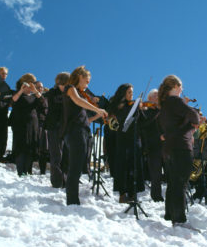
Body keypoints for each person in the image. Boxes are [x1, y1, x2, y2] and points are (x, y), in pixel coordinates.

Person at [158, 75, 200, 227]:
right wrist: (195, 123)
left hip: (169, 148)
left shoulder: (164, 105)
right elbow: (194, 115)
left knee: (173, 182)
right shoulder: (175, 101)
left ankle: (171, 215)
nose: (182, 89)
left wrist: (189, 126)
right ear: (175, 86)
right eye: (181, 86)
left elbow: (173, 128)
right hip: (181, 147)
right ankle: (179, 219)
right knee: (180, 182)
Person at [62, 66, 107, 205]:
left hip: (82, 130)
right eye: (86, 80)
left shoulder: (80, 93)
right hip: (74, 131)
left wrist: (97, 116)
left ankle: (73, 200)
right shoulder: (70, 88)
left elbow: (84, 119)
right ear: (79, 77)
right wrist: (96, 109)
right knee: (75, 167)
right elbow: (78, 101)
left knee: (78, 165)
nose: (88, 83)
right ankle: (72, 201)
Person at [108, 83, 144, 203]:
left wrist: (140, 109)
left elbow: (143, 121)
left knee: (135, 165)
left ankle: (133, 193)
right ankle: (123, 194)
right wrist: (132, 108)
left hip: (135, 137)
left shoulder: (134, 105)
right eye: (129, 92)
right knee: (123, 165)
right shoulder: (117, 105)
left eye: (132, 93)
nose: (131, 95)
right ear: (123, 93)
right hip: (123, 137)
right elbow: (119, 118)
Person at [10, 74, 46, 176]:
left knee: (30, 146)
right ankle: (20, 171)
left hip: (32, 125)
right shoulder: (17, 94)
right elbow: (12, 102)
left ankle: (27, 170)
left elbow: (43, 102)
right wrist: (21, 90)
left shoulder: (34, 97)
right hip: (20, 124)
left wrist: (35, 91)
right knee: (20, 146)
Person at [44, 72, 70, 188]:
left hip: (67, 128)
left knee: (66, 155)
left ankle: (65, 180)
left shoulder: (69, 93)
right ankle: (57, 182)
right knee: (56, 155)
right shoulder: (52, 93)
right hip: (54, 127)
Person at [141, 89, 164, 202]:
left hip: (165, 145)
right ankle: (156, 196)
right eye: (155, 96)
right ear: (149, 98)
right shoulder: (146, 111)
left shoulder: (162, 111)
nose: (157, 97)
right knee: (156, 173)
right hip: (152, 145)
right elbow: (145, 124)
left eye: (158, 96)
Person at [34, 81, 49, 175]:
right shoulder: (31, 97)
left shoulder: (45, 98)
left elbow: (45, 106)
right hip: (32, 123)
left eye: (42, 87)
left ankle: (42, 171)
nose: (40, 89)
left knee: (43, 147)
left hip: (43, 123)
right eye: (38, 87)